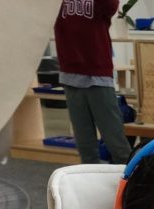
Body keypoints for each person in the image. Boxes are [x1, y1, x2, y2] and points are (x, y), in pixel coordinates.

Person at [53, 0, 132, 165]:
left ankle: (128, 178)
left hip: (97, 74)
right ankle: (90, 178)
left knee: (115, 141)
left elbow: (111, 7)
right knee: (84, 144)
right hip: (70, 73)